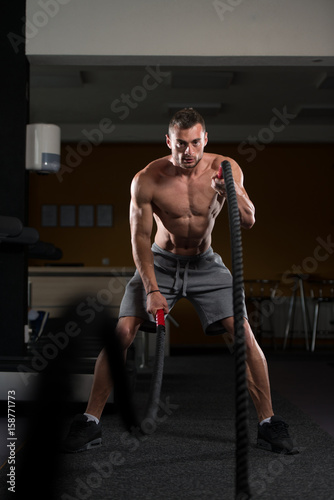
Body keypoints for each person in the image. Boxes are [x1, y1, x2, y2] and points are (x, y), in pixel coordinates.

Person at [63, 108, 297, 454]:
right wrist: (153, 289)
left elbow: (248, 220)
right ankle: (89, 422)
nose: (187, 152)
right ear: (168, 141)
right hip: (161, 263)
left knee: (244, 335)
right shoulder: (147, 179)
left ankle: (268, 424)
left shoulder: (226, 167)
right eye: (180, 144)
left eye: (194, 143)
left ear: (205, 141)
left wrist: (229, 190)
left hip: (207, 264)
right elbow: (140, 239)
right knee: (122, 333)